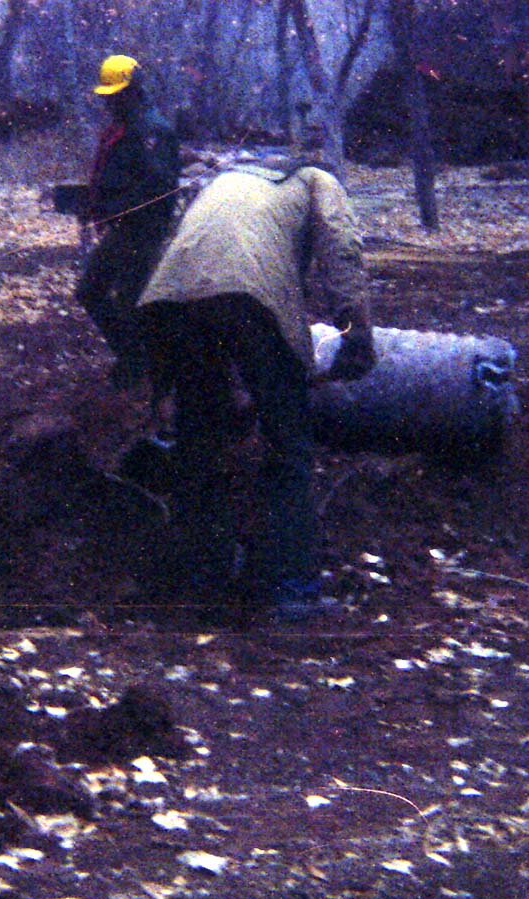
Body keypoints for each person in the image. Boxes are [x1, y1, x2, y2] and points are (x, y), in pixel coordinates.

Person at [137, 161, 376, 621]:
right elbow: (342, 252)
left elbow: (189, 251)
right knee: (288, 447)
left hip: (167, 297)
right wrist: (357, 332)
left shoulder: (228, 180)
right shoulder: (319, 181)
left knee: (199, 442)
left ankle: (203, 582)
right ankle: (292, 590)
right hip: (248, 293)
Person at [76, 54, 181, 388]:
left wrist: (116, 207)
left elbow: (160, 189)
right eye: (107, 95)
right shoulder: (123, 129)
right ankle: (135, 361)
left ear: (133, 90)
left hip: (143, 231)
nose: (109, 103)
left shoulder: (152, 130)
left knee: (131, 302)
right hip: (123, 228)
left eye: (115, 95)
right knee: (91, 292)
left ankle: (142, 370)